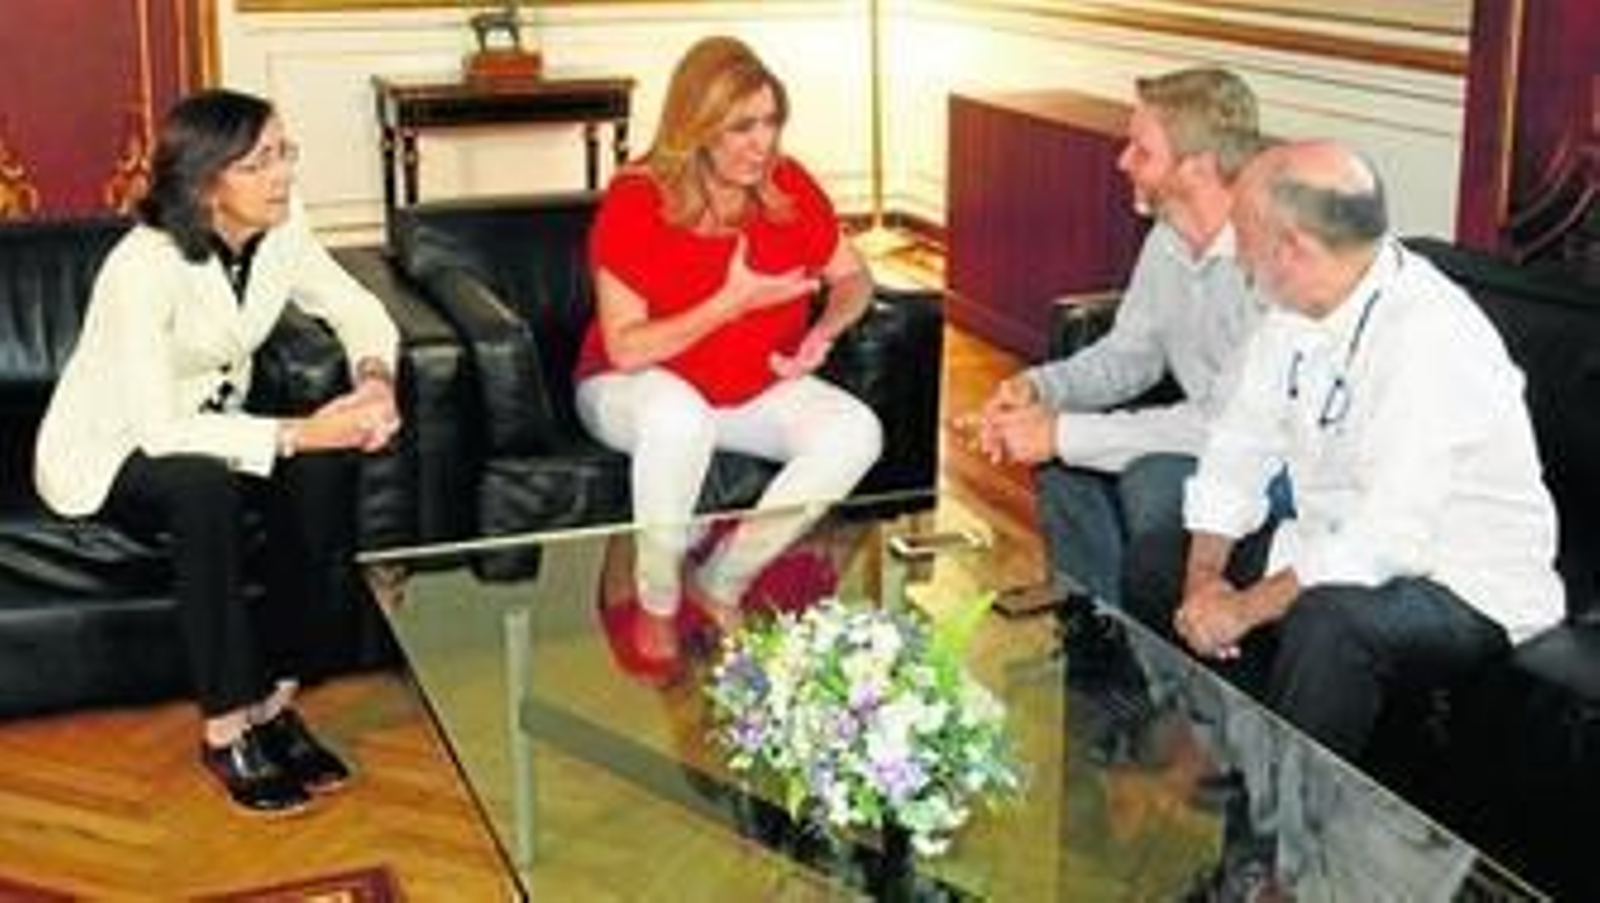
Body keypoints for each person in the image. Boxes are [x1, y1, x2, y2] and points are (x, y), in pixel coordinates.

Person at [34, 89, 401, 814]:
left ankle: (276, 705)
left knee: (325, 465)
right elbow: (160, 430)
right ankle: (226, 726)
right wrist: (296, 431)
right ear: (206, 181)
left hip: (212, 425)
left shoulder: (282, 227)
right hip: (113, 447)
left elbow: (354, 305)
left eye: (284, 153)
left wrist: (374, 383)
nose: (283, 174)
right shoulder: (145, 265)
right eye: (260, 162)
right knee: (205, 483)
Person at [1173, 139, 1564, 759]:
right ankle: (1243, 760)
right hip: (1332, 540)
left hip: (1460, 581)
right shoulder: (1296, 304)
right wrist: (1204, 581)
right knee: (1161, 558)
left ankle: (1288, 847)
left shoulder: (1431, 339)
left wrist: (1244, 608)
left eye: (1243, 232)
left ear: (1293, 248)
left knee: (1330, 627)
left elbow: (1388, 539)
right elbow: (1237, 444)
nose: (1234, 250)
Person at [573, 36, 881, 681]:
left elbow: (854, 279)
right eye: (742, 126)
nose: (762, 143)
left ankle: (722, 580)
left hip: (749, 387)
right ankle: (657, 602)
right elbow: (627, 345)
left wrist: (823, 330)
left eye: (771, 123)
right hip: (631, 387)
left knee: (856, 431)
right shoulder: (637, 198)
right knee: (681, 418)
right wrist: (730, 302)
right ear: (698, 124)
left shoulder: (788, 187)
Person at [971, 67, 1267, 611]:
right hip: (1210, 434)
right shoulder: (1169, 238)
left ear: (1198, 167)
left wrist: (1062, 433)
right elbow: (1130, 355)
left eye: (1141, 150)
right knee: (1065, 472)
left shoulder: (1273, 261)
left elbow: (1232, 428)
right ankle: (1096, 642)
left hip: (1278, 461)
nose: (1123, 161)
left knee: (1155, 483)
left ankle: (1164, 672)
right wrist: (1042, 388)